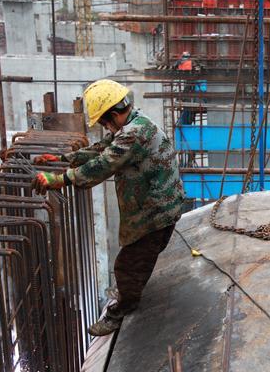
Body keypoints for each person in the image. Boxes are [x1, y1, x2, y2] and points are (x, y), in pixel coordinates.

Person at [32, 79, 185, 336]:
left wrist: (60, 179)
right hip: (156, 208)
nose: (105, 127)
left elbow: (103, 164)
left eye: (104, 122)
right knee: (140, 258)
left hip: (154, 213)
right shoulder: (134, 124)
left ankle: (121, 311)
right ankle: (131, 290)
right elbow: (103, 149)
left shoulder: (134, 134)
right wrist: (63, 159)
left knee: (127, 265)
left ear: (114, 114)